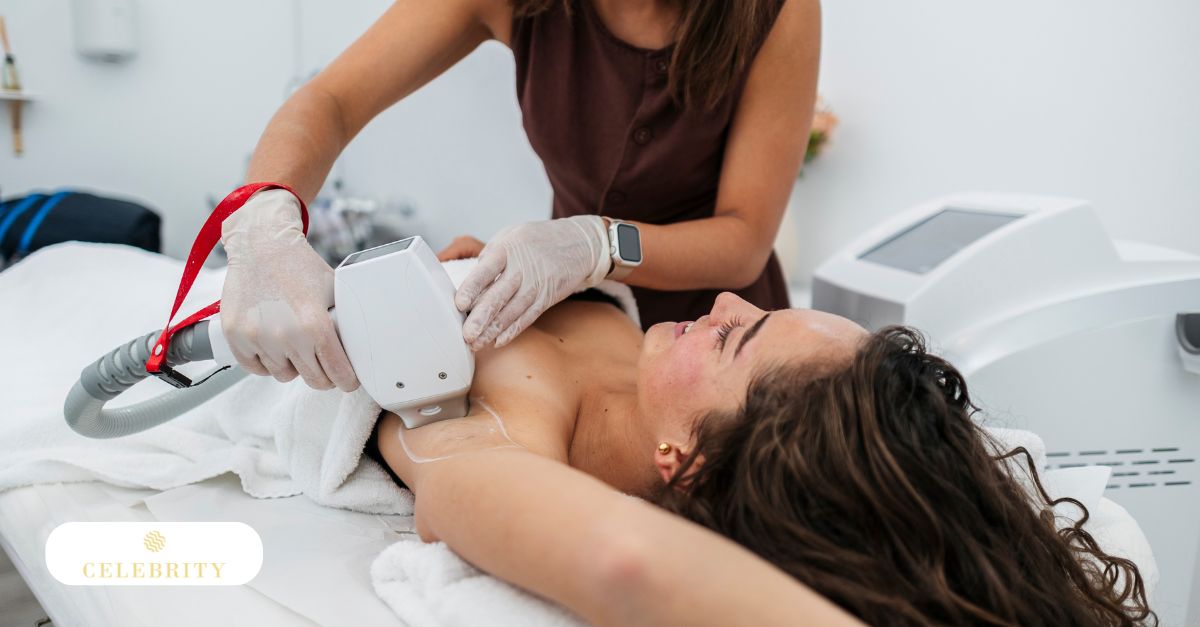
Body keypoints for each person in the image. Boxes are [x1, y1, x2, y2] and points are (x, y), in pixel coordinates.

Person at [364, 290, 1155, 626]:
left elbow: (623, 559)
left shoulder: (511, 419)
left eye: (733, 338)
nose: (725, 300)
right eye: (760, 310)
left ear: (690, 462)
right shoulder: (665, 379)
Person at [218, 0, 822, 391]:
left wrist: (596, 245)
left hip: (726, 345)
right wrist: (262, 219)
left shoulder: (776, 11)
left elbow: (743, 239)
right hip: (582, 313)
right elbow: (331, 100)